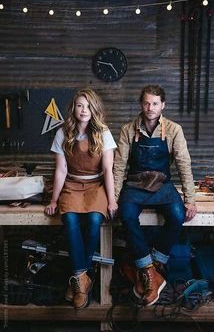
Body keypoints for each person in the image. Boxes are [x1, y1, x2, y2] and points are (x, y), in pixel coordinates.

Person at [113, 84, 197, 307]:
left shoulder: (173, 129)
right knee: (127, 215)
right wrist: (113, 198)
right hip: (135, 183)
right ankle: (148, 269)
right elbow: (119, 166)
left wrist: (190, 199)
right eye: (146, 103)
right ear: (141, 104)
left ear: (163, 106)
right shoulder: (128, 130)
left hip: (162, 184)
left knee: (178, 215)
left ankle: (156, 264)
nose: (150, 108)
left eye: (155, 103)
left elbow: (184, 164)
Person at [44, 89, 117, 309]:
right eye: (79, 105)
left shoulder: (104, 133)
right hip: (71, 185)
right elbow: (60, 170)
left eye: (88, 106)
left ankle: (77, 280)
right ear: (73, 108)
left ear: (94, 109)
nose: (83, 110)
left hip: (95, 185)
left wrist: (112, 200)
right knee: (70, 220)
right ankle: (82, 279)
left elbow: (108, 170)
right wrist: (54, 201)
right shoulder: (62, 133)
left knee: (95, 221)